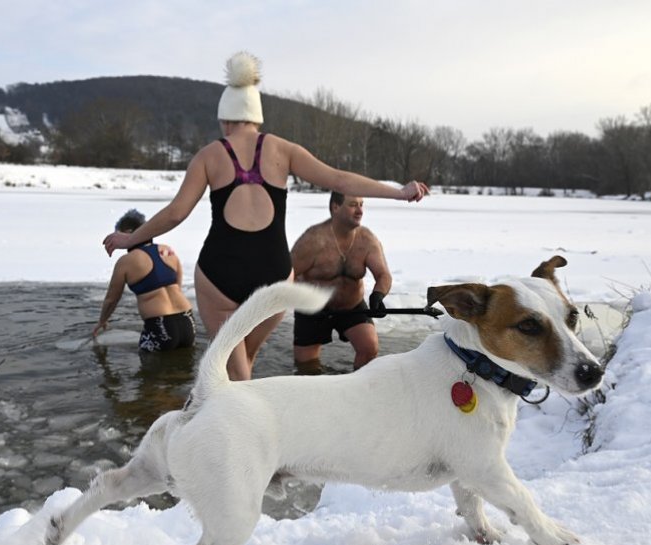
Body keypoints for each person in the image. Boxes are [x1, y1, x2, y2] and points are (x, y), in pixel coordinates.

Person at [102, 51, 429, 380]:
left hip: (220, 273)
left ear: (225, 118)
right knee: (246, 361)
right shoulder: (284, 150)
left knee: (234, 376)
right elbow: (340, 180)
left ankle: (235, 408)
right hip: (273, 273)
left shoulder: (209, 155)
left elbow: (176, 213)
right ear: (256, 117)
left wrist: (131, 239)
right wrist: (399, 192)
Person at [291, 192, 391, 371]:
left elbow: (383, 275)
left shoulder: (367, 239)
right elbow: (287, 275)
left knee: (369, 348)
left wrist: (378, 295)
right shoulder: (313, 239)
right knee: (307, 368)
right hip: (313, 309)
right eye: (353, 205)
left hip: (351, 306)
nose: (360, 211)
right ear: (335, 207)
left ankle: (358, 385)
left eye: (361, 204)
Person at [93, 209, 196, 352]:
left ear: (128, 233)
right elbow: (178, 287)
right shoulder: (168, 251)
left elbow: (111, 299)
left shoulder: (126, 261)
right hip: (187, 320)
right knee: (185, 363)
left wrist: (102, 321)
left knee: (148, 364)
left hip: (160, 324)